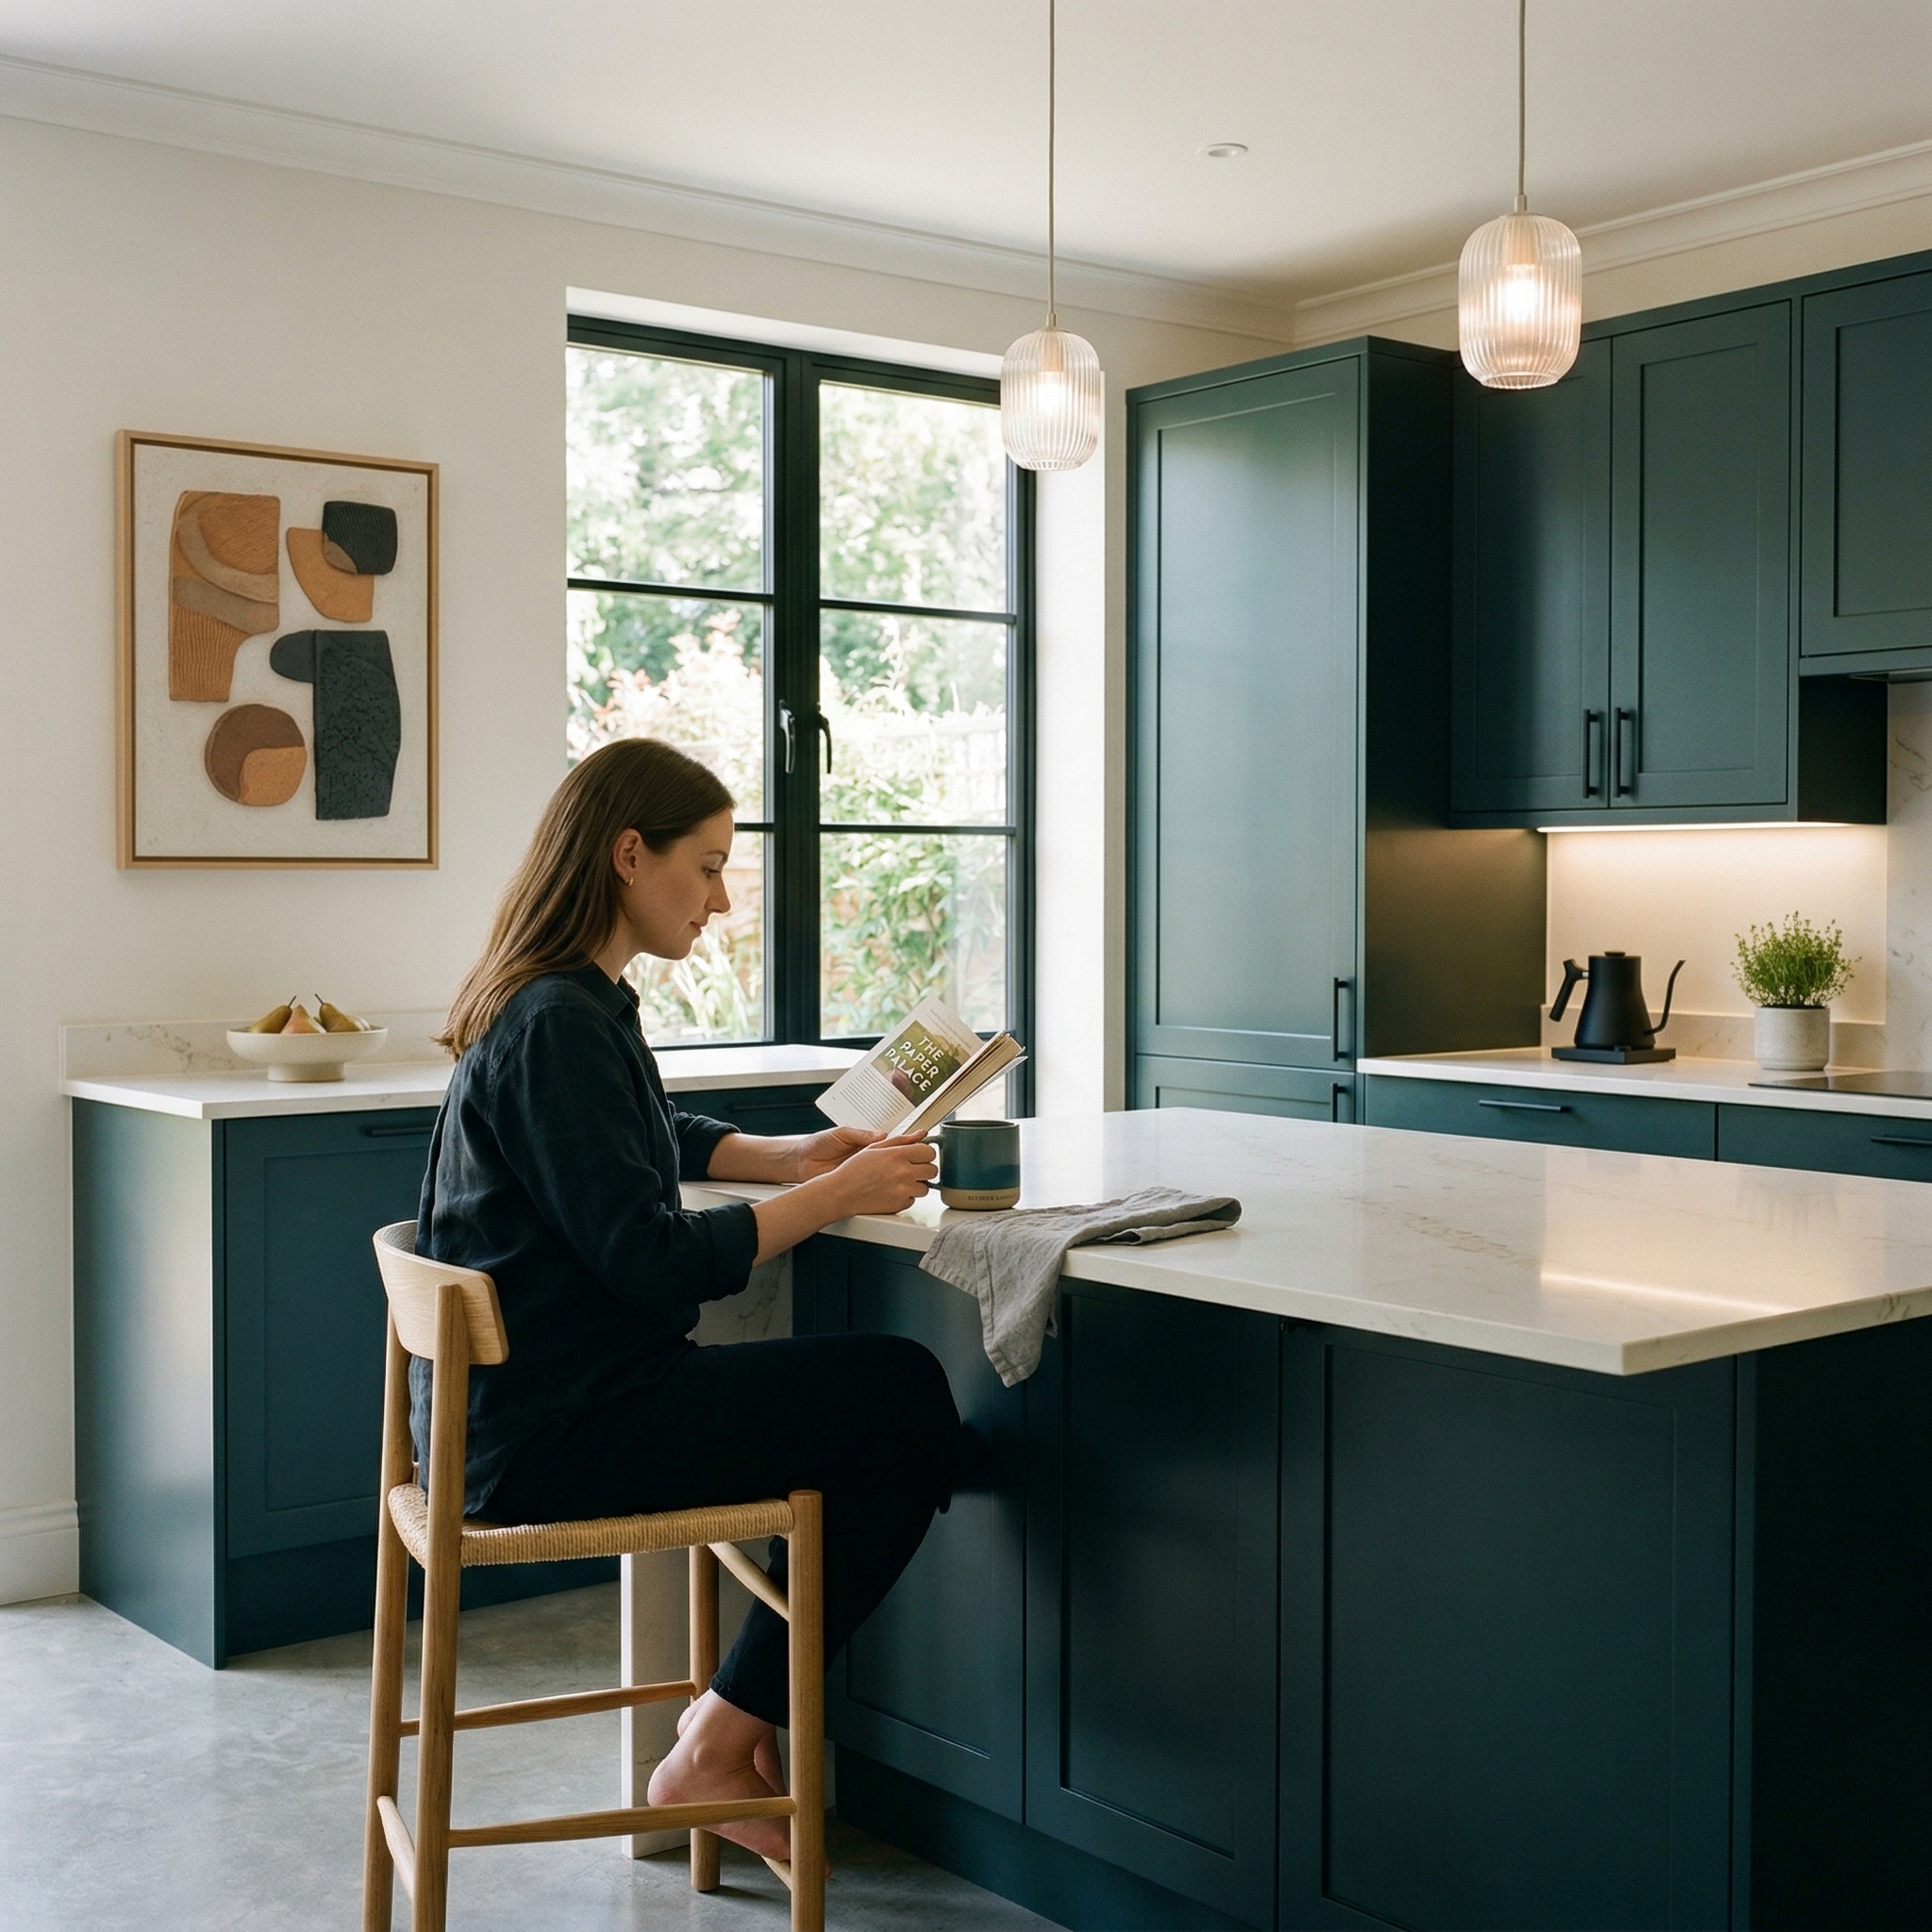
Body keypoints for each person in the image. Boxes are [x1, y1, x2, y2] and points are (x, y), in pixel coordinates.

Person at [418, 737, 959, 1862]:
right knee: (902, 1397)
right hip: (560, 1437)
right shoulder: (561, 1019)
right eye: (706, 866)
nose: (719, 900)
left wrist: (787, 1154)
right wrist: (843, 1192)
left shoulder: (564, 1000)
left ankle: (723, 1728)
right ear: (628, 853)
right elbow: (653, 1259)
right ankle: (715, 1738)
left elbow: (640, 1137)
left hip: (521, 1418)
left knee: (871, 1401)